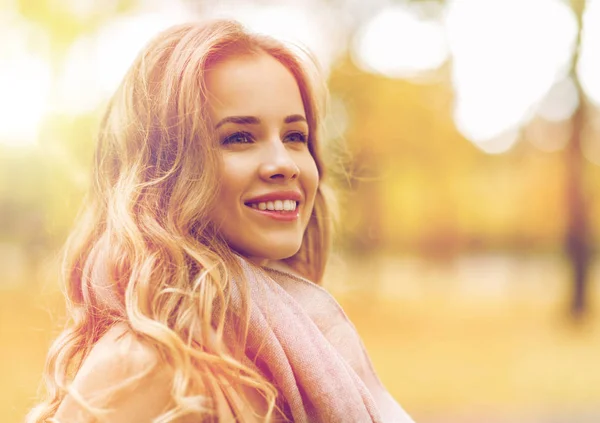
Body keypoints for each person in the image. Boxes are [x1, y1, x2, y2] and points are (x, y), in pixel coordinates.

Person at [27, 19, 415, 423]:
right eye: (239, 138)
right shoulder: (145, 363)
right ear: (165, 170)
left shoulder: (301, 341)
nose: (283, 163)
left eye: (295, 136)